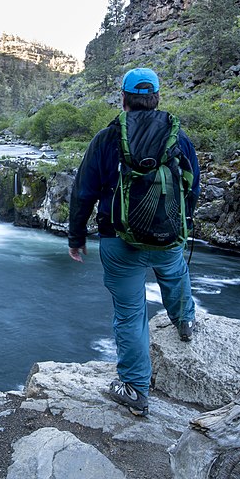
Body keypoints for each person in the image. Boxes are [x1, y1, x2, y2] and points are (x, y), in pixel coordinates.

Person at [67, 67, 201, 417]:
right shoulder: (178, 137)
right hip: (168, 237)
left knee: (130, 314)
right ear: (156, 98)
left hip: (118, 239)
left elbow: (83, 193)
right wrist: (180, 221)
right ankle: (184, 321)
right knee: (173, 273)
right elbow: (192, 186)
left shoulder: (106, 139)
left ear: (123, 98)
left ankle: (135, 389)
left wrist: (76, 238)